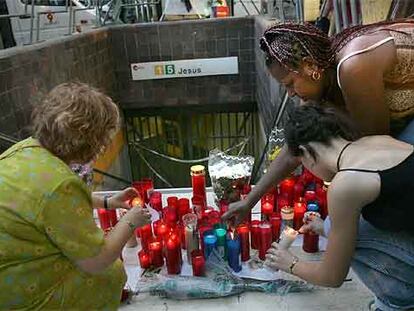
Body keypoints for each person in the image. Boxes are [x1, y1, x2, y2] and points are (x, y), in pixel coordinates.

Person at [223, 19, 414, 225]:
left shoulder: (353, 68)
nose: (291, 94)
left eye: (290, 84)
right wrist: (250, 201)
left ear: (310, 66)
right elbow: (294, 147)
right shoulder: (322, 80)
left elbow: (375, 152)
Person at [0, 82, 151, 310]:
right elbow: (97, 260)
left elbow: (40, 201)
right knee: (112, 272)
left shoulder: (24, 149)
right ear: (90, 139)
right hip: (23, 290)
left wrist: (108, 202)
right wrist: (131, 221)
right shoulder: (60, 184)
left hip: (10, 266)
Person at [263, 105, 414, 311]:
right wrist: (324, 227)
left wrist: (290, 263)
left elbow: (332, 276)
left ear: (306, 152)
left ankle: (398, 303)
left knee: (341, 229)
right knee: (337, 223)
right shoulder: (375, 141)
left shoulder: (347, 182)